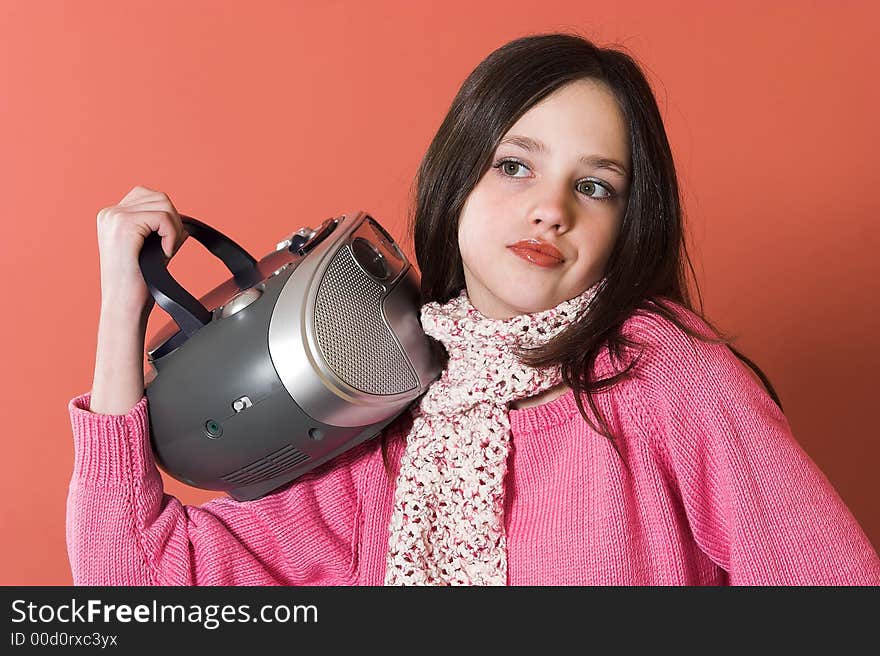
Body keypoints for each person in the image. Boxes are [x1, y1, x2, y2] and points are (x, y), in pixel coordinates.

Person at [67, 32, 880, 586]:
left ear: (628, 226)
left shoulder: (667, 377)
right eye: (515, 167)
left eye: (594, 186)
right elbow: (133, 580)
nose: (550, 209)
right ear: (459, 181)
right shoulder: (387, 405)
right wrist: (121, 311)